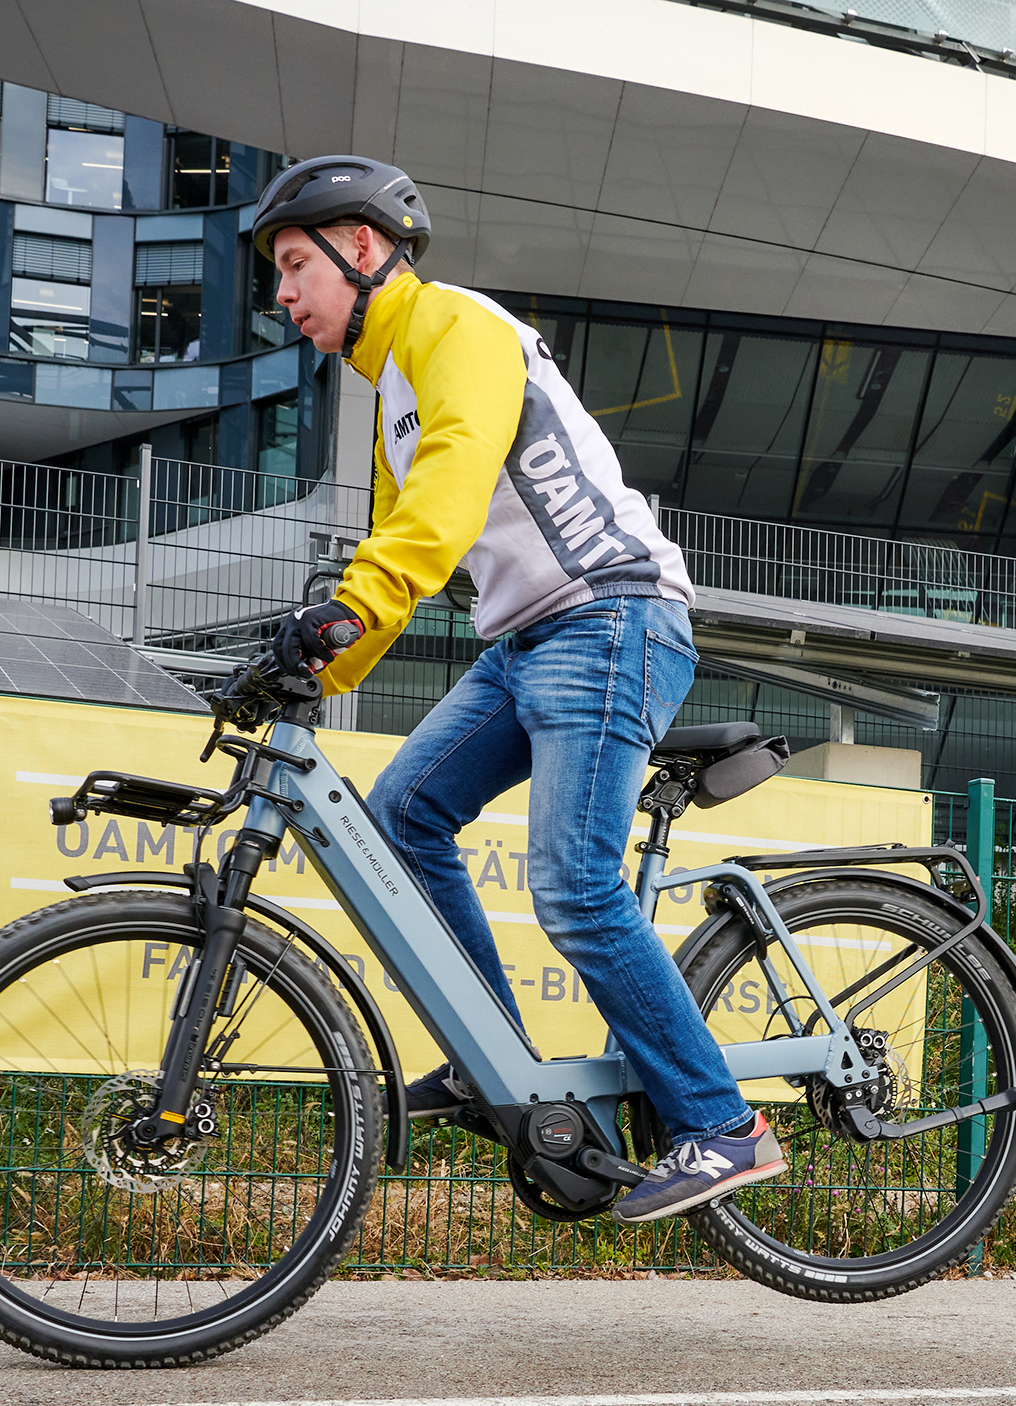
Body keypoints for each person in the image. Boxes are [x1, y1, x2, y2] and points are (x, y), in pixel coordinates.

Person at [253, 155, 785, 1223]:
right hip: (530, 639)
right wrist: (319, 663)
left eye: (295, 263)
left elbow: (444, 501)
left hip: (611, 614)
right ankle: (491, 1055)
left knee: (574, 885)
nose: (282, 292)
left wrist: (346, 612)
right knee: (403, 815)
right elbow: (403, 550)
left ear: (364, 249)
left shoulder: (457, 327)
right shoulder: (392, 388)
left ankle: (724, 1127)